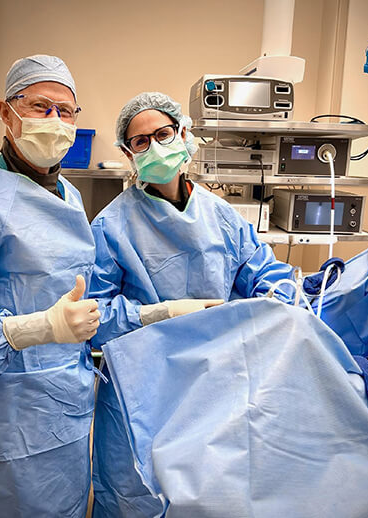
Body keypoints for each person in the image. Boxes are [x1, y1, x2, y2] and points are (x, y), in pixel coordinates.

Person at [89, 92, 294, 516]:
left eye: (163, 134)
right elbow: (94, 316)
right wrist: (155, 315)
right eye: (140, 141)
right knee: (136, 493)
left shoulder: (222, 216)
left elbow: (266, 275)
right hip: (140, 389)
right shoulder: (111, 226)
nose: (154, 146)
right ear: (128, 154)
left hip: (213, 382)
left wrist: (278, 303)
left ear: (184, 134)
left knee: (209, 489)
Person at [0, 55, 100, 517]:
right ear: (6, 111)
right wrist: (38, 328)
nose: (54, 121)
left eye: (65, 111)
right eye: (39, 106)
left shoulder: (69, 195)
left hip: (65, 409)